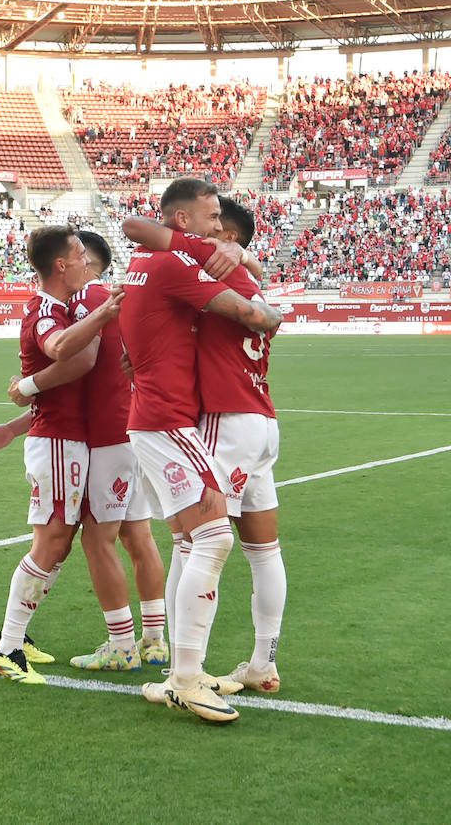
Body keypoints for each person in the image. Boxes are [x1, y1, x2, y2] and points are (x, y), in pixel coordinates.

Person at [119, 177, 283, 723]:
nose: (217, 227)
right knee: (212, 541)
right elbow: (256, 316)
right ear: (185, 221)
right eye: (211, 218)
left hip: (181, 418)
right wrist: (257, 286)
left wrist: (239, 256)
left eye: (221, 222)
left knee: (200, 541)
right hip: (185, 419)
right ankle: (188, 675)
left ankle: (184, 672)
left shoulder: (164, 263)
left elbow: (138, 235)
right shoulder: (178, 263)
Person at [0, 230, 174, 673]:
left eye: (82, 256)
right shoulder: (67, 306)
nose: (81, 263)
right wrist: (18, 419)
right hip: (109, 433)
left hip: (98, 438)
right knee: (112, 537)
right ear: (65, 264)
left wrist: (25, 390)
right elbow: (68, 365)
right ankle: (149, 641)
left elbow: (81, 362)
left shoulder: (86, 299)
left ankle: (116, 644)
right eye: (75, 256)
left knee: (83, 540)